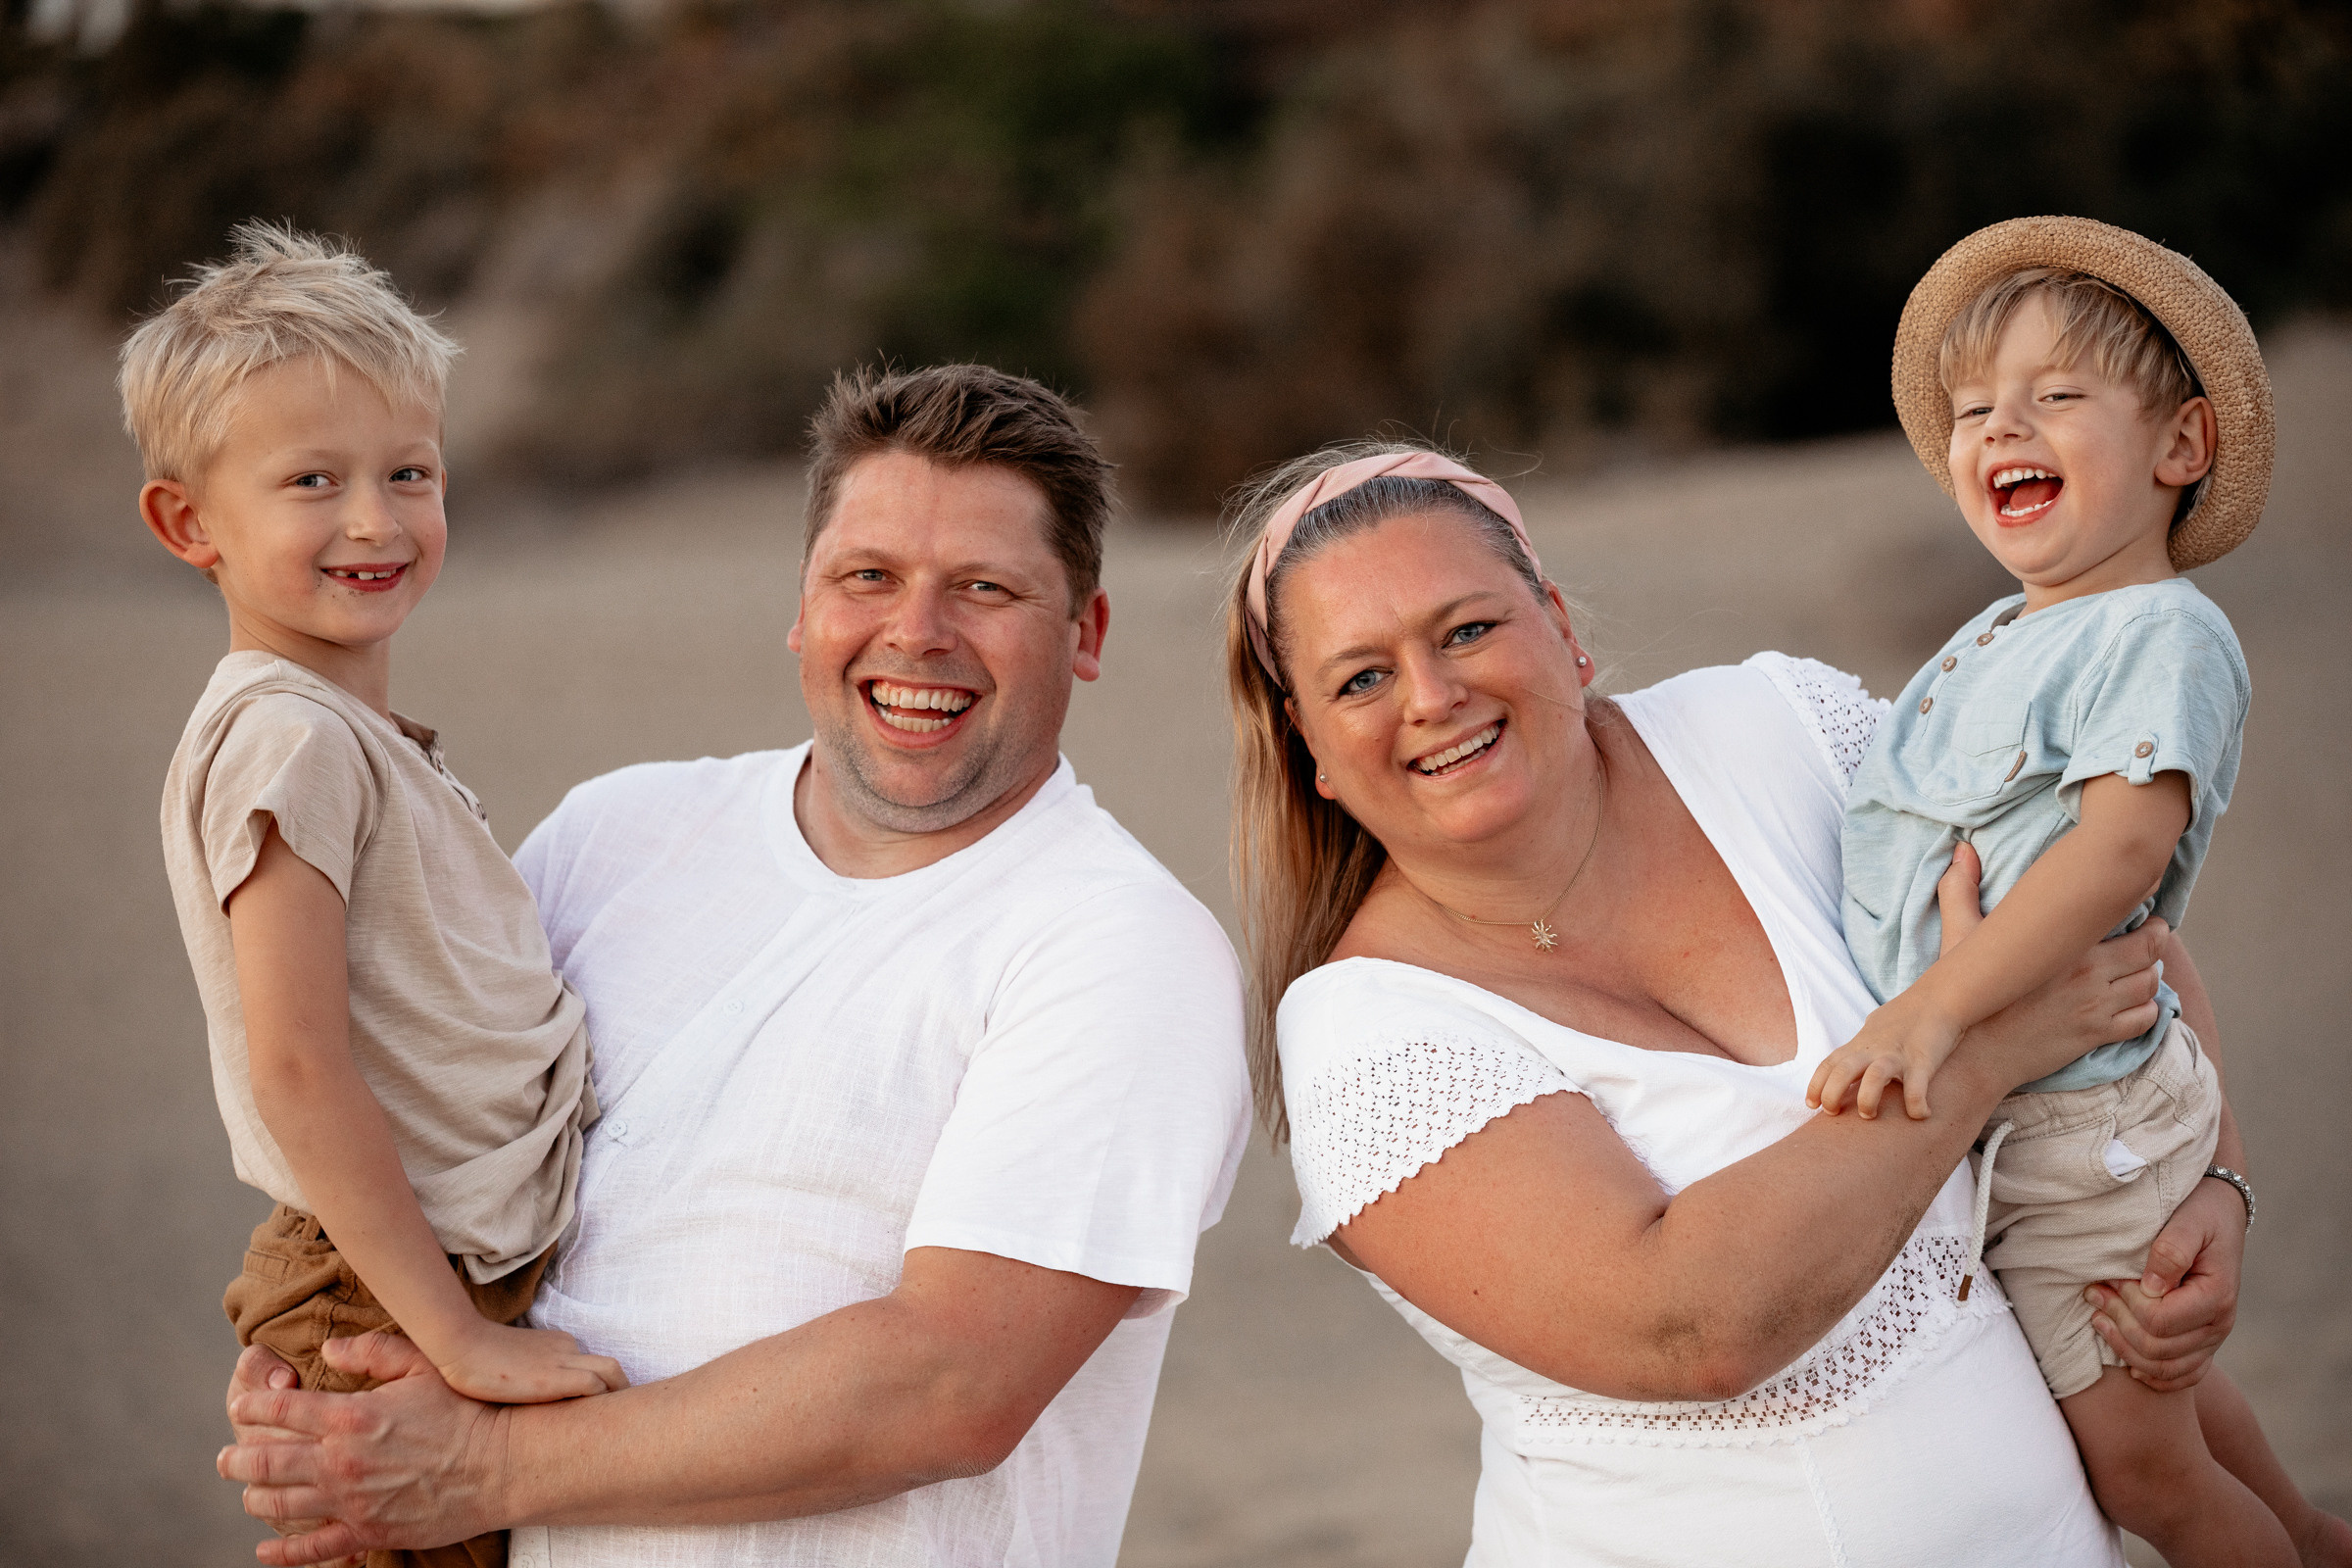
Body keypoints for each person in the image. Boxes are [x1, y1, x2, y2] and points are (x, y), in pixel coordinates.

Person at [218, 362, 1251, 1568]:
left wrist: (472, 1468)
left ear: (1086, 634)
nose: (917, 632)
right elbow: (424, 1133)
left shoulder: (1119, 946)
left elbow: (951, 1382)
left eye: (986, 588)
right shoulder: (616, 834)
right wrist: (329, 1397)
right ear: (804, 608)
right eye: (867, 577)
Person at [1225, 440, 2265, 1563]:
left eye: (1467, 629)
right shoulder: (1366, 1033)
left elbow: (2096, 920)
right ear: (1312, 749)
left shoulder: (1778, 732)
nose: (1432, 697)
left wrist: (2215, 1180)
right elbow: (1691, 1325)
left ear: (1561, 627)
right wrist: (1981, 1056)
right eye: (1361, 678)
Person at [1813, 216, 2348, 1565]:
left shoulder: (2162, 630)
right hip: (2041, 1115)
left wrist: (1936, 1008)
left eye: (2057, 397)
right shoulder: (2003, 631)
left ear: (2180, 448)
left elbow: (2120, 857)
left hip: (2077, 1127)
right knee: (2163, 1398)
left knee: (2140, 1475)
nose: (2004, 427)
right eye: (1977, 408)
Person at [137, 223, 623, 1568]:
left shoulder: (340, 737)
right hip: (391, 1289)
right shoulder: (286, 739)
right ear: (193, 525)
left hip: (419, 1269)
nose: (374, 518)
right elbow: (299, 1066)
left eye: (409, 472)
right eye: (311, 481)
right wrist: (456, 1335)